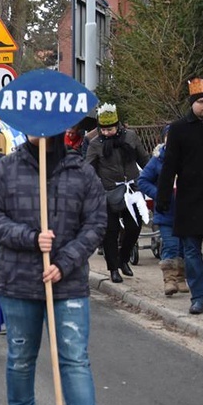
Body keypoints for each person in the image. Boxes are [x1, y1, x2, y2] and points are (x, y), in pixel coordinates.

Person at [0, 132, 106, 405]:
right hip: (18, 282)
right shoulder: (5, 168)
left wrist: (64, 262)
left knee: (74, 359)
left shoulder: (82, 172)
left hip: (69, 281)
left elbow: (96, 223)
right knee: (21, 356)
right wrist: (30, 237)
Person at [157, 76, 203, 315]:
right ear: (193, 103)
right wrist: (162, 198)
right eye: (201, 101)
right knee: (191, 252)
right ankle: (198, 297)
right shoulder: (179, 129)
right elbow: (169, 166)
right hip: (190, 200)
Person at [85, 103, 150, 283]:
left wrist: (155, 175)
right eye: (103, 130)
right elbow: (88, 168)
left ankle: (123, 259)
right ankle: (113, 268)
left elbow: (144, 158)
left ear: (118, 125)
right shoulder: (95, 144)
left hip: (132, 190)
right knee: (110, 232)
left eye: (110, 129)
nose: (107, 133)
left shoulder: (130, 137)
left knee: (134, 227)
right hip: (107, 191)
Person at [138, 125, 188, 296]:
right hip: (166, 211)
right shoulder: (158, 160)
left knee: (184, 247)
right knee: (171, 245)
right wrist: (159, 194)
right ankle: (169, 280)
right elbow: (143, 180)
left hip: (186, 211)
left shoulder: (188, 157)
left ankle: (181, 278)